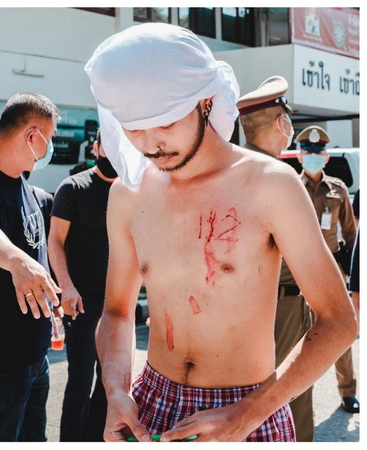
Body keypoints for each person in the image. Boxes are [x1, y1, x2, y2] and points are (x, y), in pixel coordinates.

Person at [84, 23, 356, 442]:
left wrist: (248, 413)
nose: (151, 144)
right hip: (151, 405)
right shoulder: (129, 193)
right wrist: (116, 390)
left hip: (248, 406)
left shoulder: (270, 184)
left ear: (206, 100)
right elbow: (118, 312)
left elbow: (338, 322)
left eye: (166, 123)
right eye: (134, 129)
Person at [0, 92, 62, 442]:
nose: (48, 148)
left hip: (35, 358)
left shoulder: (21, 180)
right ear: (32, 136)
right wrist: (16, 260)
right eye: (49, 140)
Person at [237, 76, 315, 441]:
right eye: (288, 120)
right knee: (286, 396)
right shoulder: (279, 177)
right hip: (280, 305)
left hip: (254, 305)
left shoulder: (235, 170)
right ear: (281, 123)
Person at [48, 128, 115, 441]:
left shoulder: (131, 191)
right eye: (109, 147)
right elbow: (55, 242)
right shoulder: (73, 187)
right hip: (82, 301)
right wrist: (67, 288)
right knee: (80, 377)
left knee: (111, 381)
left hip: (118, 302)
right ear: (96, 147)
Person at [294, 125, 359, 415]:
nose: (313, 156)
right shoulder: (289, 186)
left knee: (339, 332)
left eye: (318, 152)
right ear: (299, 155)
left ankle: (348, 393)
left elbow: (351, 233)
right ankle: (294, 395)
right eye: (308, 152)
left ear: (326, 157)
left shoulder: (338, 189)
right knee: (295, 333)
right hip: (296, 268)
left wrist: (352, 271)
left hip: (332, 268)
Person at [237, 75, 295, 158]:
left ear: (243, 131)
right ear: (280, 123)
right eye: (287, 117)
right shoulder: (281, 170)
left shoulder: (230, 167)